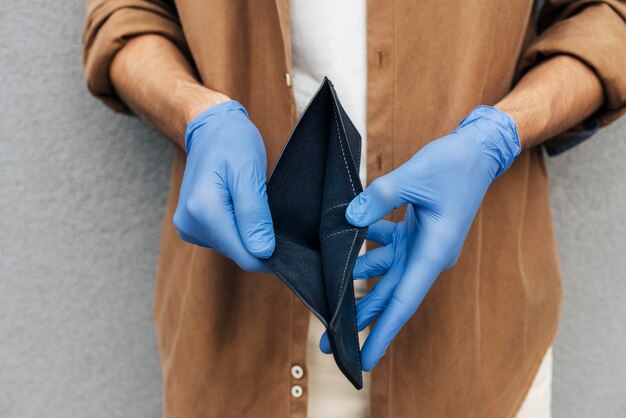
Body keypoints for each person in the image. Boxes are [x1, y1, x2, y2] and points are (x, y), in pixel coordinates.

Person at [82, 0, 626, 416]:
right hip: (236, 341)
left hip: (475, 345)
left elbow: (607, 16)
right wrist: (194, 113)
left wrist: (498, 136)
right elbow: (126, 16)